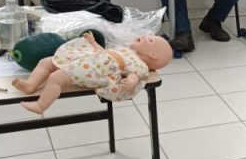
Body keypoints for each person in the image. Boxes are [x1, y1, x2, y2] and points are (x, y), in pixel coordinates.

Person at [12, 32, 172, 114]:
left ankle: (41, 105)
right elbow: (105, 53)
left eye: (150, 40)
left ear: (153, 55)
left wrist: (131, 82)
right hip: (89, 59)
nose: (145, 36)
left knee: (56, 78)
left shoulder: (140, 64)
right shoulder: (124, 50)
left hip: (94, 70)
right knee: (46, 62)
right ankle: (31, 85)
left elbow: (136, 75)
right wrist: (93, 42)